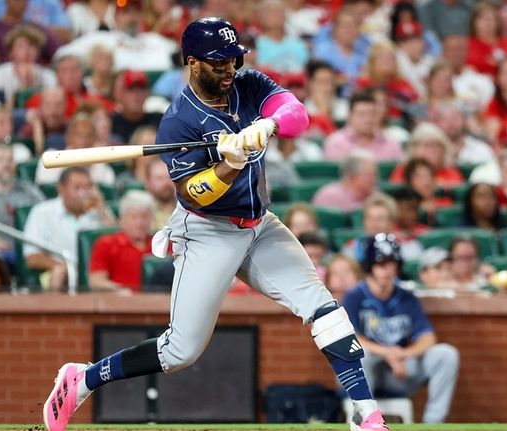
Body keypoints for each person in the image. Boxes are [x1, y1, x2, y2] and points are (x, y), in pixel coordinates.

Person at [43, 18, 392, 431]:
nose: (229, 69)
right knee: (179, 352)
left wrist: (268, 125)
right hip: (207, 231)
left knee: (325, 310)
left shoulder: (246, 84)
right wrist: (229, 164)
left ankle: (366, 415)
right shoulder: (178, 122)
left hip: (260, 225)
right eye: (218, 62)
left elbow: (297, 115)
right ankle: (83, 379)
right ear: (192, 63)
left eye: (233, 60)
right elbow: (193, 194)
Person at [343, 233, 459, 423]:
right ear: (369, 265)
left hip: (401, 370)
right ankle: (364, 421)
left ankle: (433, 424)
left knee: (446, 354)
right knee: (360, 356)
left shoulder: (406, 296)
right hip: (373, 371)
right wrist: (388, 353)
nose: (387, 270)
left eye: (392, 264)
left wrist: (404, 354)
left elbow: (428, 338)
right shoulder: (355, 296)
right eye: (381, 264)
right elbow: (350, 338)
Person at [24, 167, 115, 292]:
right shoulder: (42, 212)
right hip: (60, 273)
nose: (83, 194)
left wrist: (102, 210)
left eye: (87, 188)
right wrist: (67, 268)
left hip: (95, 274)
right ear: (61, 188)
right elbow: (32, 257)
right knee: (58, 273)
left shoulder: (99, 211)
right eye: (77, 188)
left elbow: (119, 242)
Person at [88, 190, 155, 294]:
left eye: (144, 217)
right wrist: (118, 290)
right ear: (122, 219)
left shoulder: (162, 244)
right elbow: (96, 282)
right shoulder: (106, 244)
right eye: (134, 217)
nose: (140, 223)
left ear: (151, 219)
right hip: (117, 304)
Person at [323, 89, 403, 162]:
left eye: (372, 114)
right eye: (362, 114)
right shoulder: (336, 143)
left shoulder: (391, 144)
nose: (368, 119)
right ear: (349, 116)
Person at [312, 150, 379, 212]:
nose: (374, 180)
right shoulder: (329, 197)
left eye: (375, 175)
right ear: (352, 176)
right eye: (370, 175)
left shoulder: (376, 195)